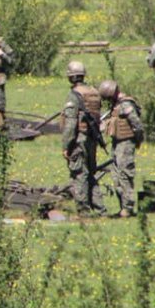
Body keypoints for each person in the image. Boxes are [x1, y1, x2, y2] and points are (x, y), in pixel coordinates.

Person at [60, 60, 106, 216]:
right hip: (92, 138)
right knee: (90, 173)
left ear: (71, 78)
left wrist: (66, 146)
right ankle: (100, 209)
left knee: (79, 174)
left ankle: (83, 211)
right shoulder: (94, 92)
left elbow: (71, 123)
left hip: (79, 139)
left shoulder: (74, 95)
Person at [98, 79, 144, 217]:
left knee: (125, 174)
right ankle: (122, 207)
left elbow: (137, 124)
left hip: (126, 144)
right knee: (116, 175)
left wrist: (138, 140)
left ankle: (127, 208)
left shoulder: (126, 104)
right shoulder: (117, 105)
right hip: (117, 143)